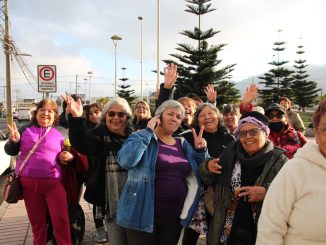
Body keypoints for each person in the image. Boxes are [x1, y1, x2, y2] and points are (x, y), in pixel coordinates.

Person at [116, 100, 209, 245]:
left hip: (174, 216)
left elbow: (198, 170)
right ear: (158, 117)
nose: (174, 118)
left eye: (178, 117)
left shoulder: (183, 143)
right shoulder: (141, 136)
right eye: (170, 114)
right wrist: (147, 132)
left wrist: (200, 151)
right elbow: (126, 161)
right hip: (143, 214)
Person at [199, 111, 288, 245]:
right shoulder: (230, 154)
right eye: (242, 133)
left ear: (266, 133)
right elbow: (207, 179)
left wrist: (267, 191)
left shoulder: (279, 160)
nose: (247, 137)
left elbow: (290, 193)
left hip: (260, 232)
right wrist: (207, 166)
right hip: (227, 229)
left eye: (254, 132)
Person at [62, 95, 134, 245]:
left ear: (127, 117)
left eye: (121, 114)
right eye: (111, 113)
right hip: (111, 201)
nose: (116, 117)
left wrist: (166, 89)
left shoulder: (134, 137)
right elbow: (82, 144)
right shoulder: (99, 134)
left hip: (135, 199)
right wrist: (76, 117)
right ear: (105, 115)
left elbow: (160, 121)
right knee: (118, 241)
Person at [256, 99, 326, 244]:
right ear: (317, 133)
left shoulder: (296, 135)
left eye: (278, 115)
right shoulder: (294, 170)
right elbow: (270, 229)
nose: (275, 119)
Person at [4, 99, 72, 245]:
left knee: (61, 221)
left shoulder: (62, 131)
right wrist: (13, 141)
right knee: (37, 225)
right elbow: (10, 151)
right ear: (36, 112)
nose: (46, 113)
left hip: (53, 185)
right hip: (29, 187)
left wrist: (69, 156)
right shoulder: (25, 129)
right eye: (42, 109)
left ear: (55, 115)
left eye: (50, 111)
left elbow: (71, 153)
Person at [180, 103, 235, 245]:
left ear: (218, 116)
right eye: (202, 115)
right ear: (197, 120)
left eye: (211, 113)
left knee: (215, 232)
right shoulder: (188, 136)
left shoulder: (230, 139)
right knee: (191, 234)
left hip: (219, 195)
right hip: (195, 193)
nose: (207, 117)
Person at [83, 102, 109, 243]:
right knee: (98, 203)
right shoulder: (87, 131)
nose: (94, 115)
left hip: (111, 171)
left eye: (96, 112)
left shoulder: (109, 126)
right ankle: (100, 229)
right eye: (91, 113)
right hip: (94, 172)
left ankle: (110, 228)